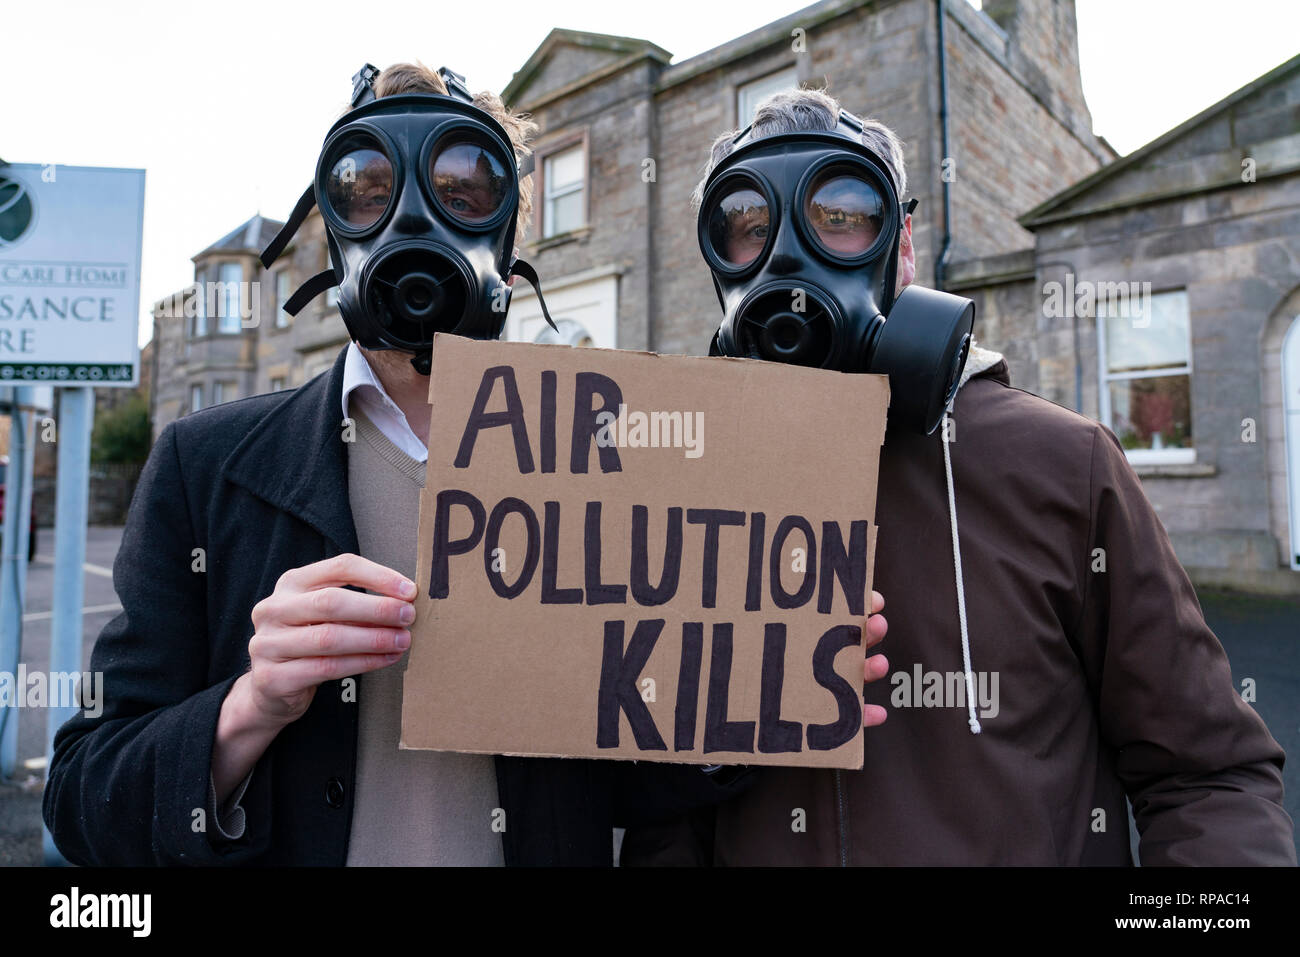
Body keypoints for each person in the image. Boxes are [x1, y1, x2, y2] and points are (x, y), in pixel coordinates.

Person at [44, 63, 897, 867]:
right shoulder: (207, 464)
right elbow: (84, 796)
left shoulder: (619, 456)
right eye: (370, 197)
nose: (416, 226)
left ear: (512, 225)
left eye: (461, 194)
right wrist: (249, 707)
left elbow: (634, 790)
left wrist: (749, 691)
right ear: (334, 234)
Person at [620, 87, 1296, 866]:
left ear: (902, 242)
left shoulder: (1065, 467)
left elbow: (1213, 778)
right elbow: (658, 823)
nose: (788, 259)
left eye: (840, 216)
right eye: (747, 229)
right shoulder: (689, 491)